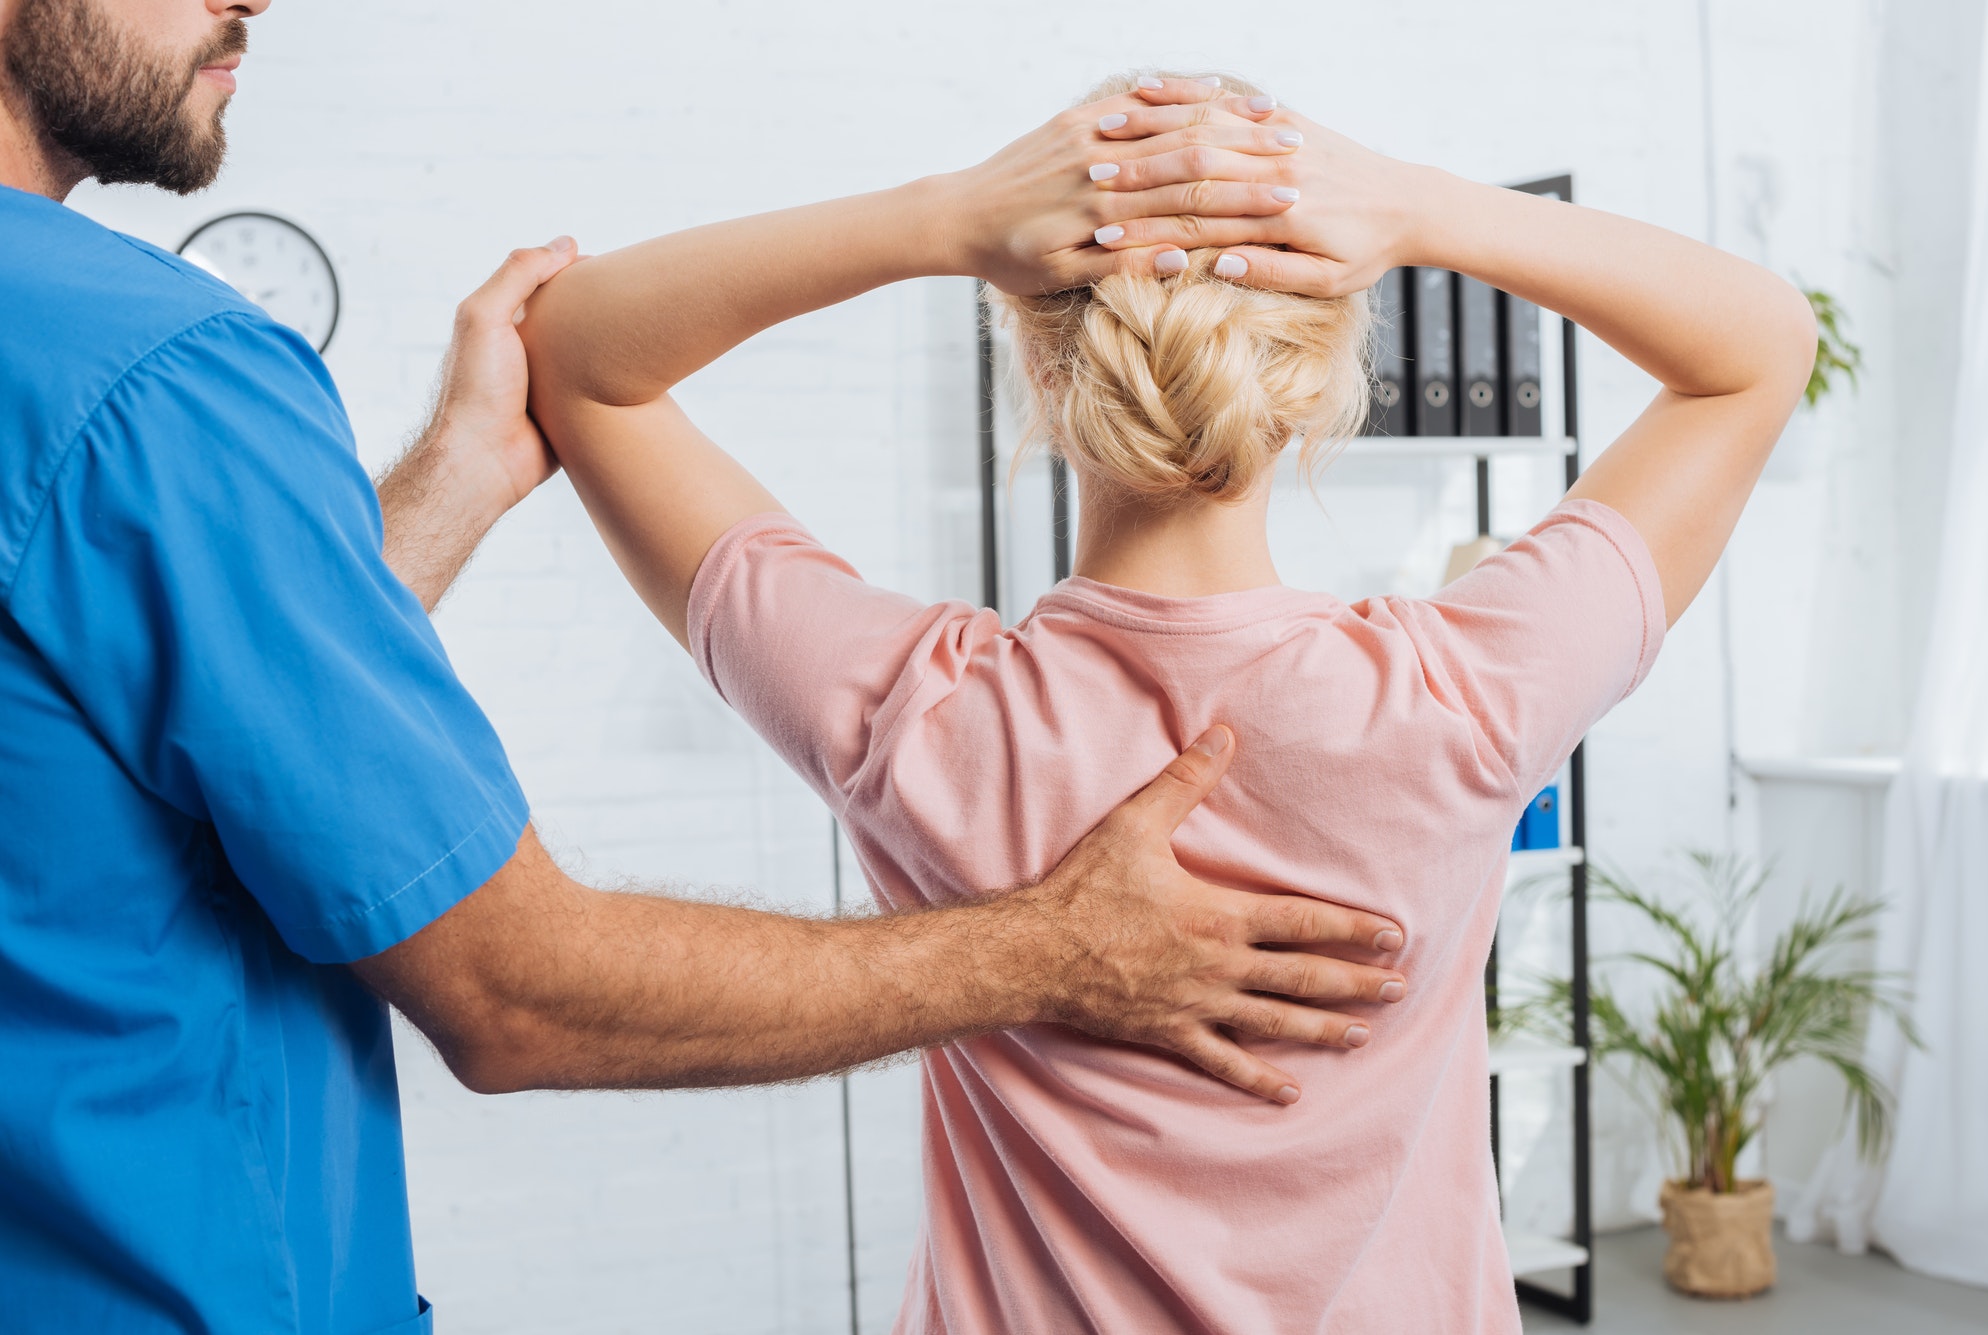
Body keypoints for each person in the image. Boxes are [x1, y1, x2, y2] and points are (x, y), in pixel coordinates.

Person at [0, 6, 1412, 1330]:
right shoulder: (152, 374)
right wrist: (1052, 947)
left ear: (1037, 370)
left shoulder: (912, 701)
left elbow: (179, 692)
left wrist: (462, 475)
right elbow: (512, 988)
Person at [519, 71, 1817, 1334]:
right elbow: (1759, 351)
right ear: (1317, 385)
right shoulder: (1460, 699)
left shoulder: (912, 719)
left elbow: (580, 358)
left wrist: (944, 217)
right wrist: (1419, 208)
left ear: (1035, 371)